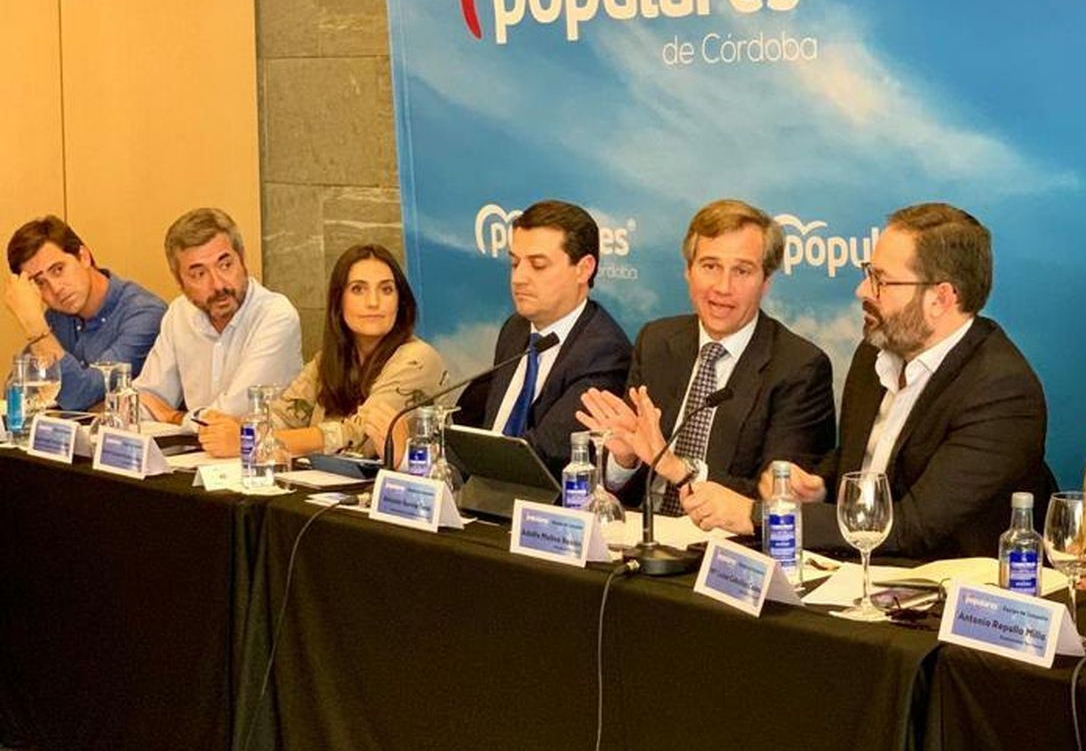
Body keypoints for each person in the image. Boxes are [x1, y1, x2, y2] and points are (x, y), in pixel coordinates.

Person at [710, 202, 1050, 558]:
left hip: (942, 595)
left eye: (880, 280)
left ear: (941, 298)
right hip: (852, 572)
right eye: (868, 273)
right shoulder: (873, 353)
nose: (862, 291)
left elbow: (910, 528)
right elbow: (867, 462)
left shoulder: (1002, 391)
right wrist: (818, 487)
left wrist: (759, 515)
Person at [576, 199, 835, 519]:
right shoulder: (656, 341)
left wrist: (677, 468)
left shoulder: (799, 367)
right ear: (688, 271)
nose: (723, 287)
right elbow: (626, 489)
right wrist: (625, 459)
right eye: (710, 266)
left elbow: (779, 500)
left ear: (766, 282)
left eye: (741, 271)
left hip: (725, 552)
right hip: (644, 538)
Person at [195, 244, 446, 460]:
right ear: (339, 301)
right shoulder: (328, 360)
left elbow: (359, 437)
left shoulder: (419, 360)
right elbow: (282, 416)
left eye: (386, 289)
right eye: (358, 289)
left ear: (401, 302)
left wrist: (251, 441)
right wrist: (237, 428)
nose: (373, 302)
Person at [457, 200, 630, 476]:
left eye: (537, 265)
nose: (519, 278)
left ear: (584, 269)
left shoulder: (604, 351)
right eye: (514, 263)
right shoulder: (515, 329)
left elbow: (547, 454)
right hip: (485, 495)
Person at [135, 208, 303, 423]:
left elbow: (232, 415)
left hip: (257, 452)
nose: (218, 284)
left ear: (242, 260)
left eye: (225, 265)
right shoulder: (180, 313)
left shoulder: (276, 317)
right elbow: (148, 396)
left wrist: (174, 417)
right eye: (199, 274)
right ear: (179, 281)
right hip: (197, 453)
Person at [4, 216, 166, 411]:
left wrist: (36, 329)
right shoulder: (57, 316)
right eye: (40, 282)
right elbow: (15, 392)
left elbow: (80, 395)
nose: (55, 289)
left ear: (84, 256)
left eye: (58, 269)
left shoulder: (145, 314)